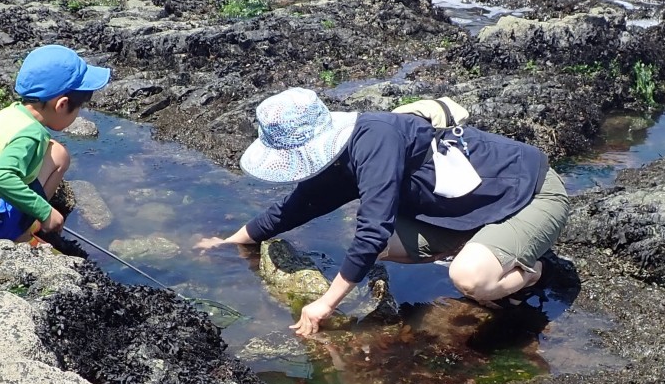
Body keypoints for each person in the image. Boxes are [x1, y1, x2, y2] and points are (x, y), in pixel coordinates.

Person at [196, 87, 572, 336]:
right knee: (370, 250)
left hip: (531, 194)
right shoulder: (341, 158)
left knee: (470, 279)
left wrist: (325, 305)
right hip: (465, 211)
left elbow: (372, 230)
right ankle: (488, 249)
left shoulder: (376, 139)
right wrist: (230, 242)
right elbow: (296, 208)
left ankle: (535, 271)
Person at [0, 44, 110, 242]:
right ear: (62, 105)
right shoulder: (31, 134)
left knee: (52, 151)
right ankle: (22, 231)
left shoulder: (11, 114)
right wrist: (45, 211)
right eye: (79, 107)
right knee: (59, 156)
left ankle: (24, 221)